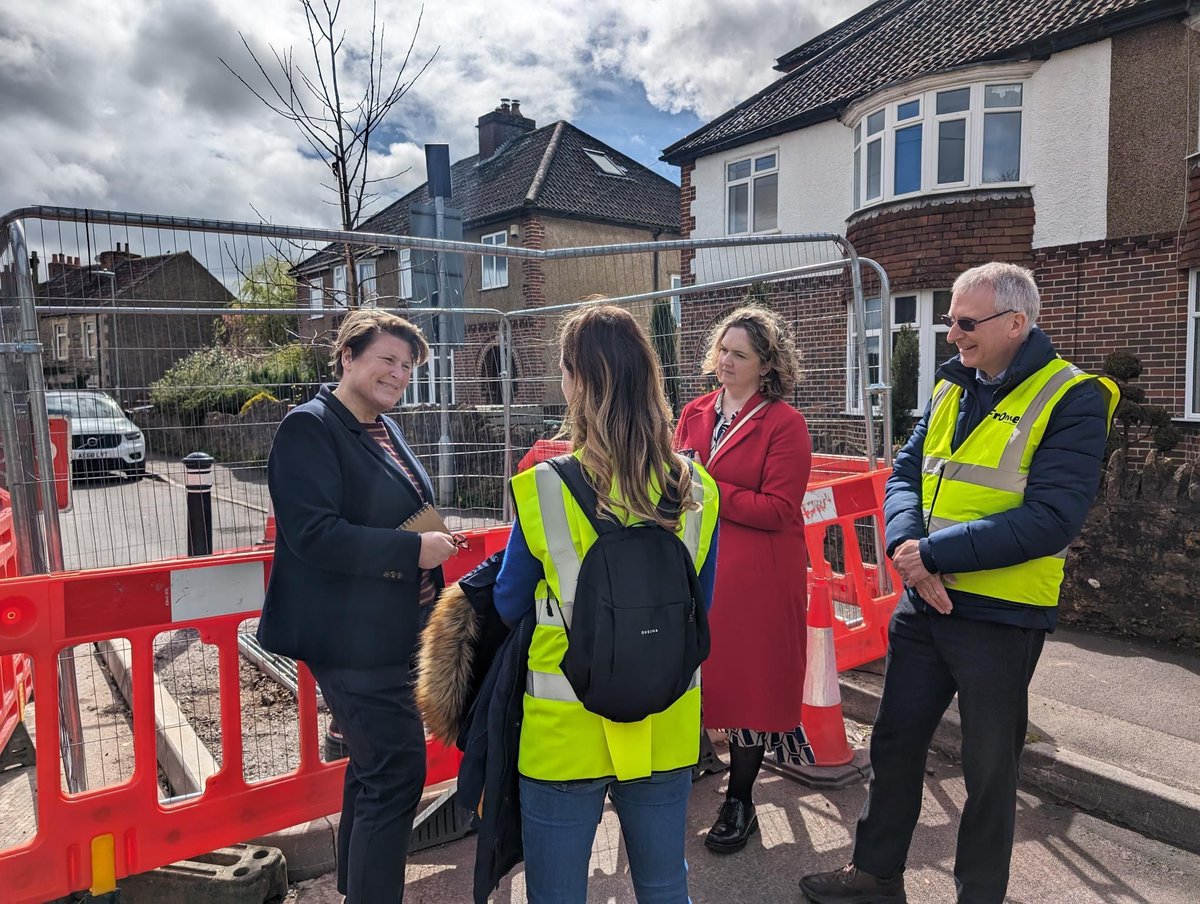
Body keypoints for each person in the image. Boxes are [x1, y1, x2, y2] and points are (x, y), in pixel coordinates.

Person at [800, 262, 1118, 904]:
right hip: (925, 602)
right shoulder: (953, 386)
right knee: (894, 743)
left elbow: (1052, 519)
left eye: (965, 323)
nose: (952, 335)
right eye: (951, 321)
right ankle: (874, 875)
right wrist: (903, 549)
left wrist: (927, 556)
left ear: (1016, 323)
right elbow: (903, 476)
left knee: (989, 768)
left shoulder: (1073, 397)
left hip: (1000, 614)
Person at [491, 304, 721, 904]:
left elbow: (510, 599)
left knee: (557, 893)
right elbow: (704, 600)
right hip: (666, 716)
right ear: (650, 380)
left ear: (575, 382)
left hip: (566, 727)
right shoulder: (697, 487)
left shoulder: (545, 487)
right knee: (666, 884)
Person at [257, 308, 459, 903]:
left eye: (406, 365)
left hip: (397, 629)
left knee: (375, 771)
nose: (397, 373)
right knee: (396, 772)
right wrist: (412, 550)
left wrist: (433, 547)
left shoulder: (379, 424)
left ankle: (357, 890)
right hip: (352, 637)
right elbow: (313, 533)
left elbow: (392, 504)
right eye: (386, 360)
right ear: (348, 357)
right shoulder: (310, 427)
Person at [674, 304, 812, 854]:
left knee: (752, 687)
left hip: (757, 576)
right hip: (696, 565)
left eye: (740, 354)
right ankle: (684, 766)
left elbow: (781, 508)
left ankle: (740, 799)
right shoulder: (695, 410)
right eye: (722, 350)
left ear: (766, 365)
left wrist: (703, 487)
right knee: (694, 675)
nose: (725, 361)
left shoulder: (785, 424)